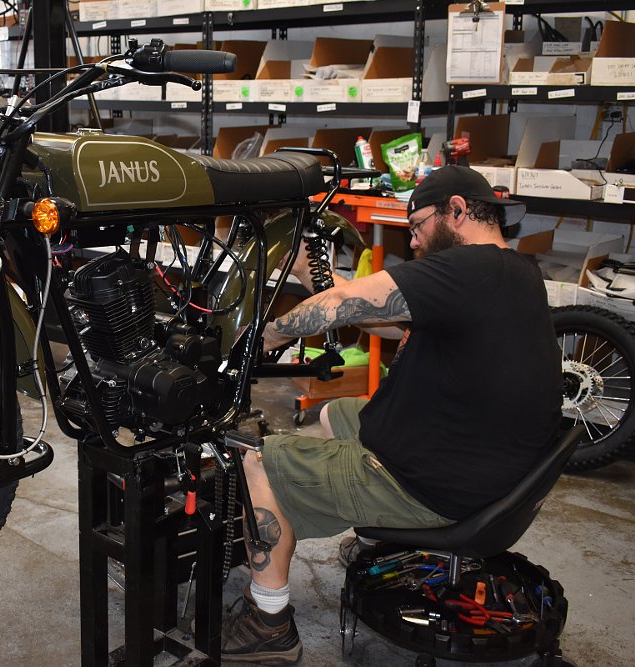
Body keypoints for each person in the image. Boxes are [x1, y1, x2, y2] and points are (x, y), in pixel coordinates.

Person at [221, 165, 563, 664]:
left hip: (435, 484)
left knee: (257, 457)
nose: (417, 240)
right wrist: (306, 275)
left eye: (419, 225)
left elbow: (343, 303)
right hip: (481, 461)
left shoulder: (470, 269)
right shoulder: (509, 273)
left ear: (458, 211)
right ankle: (350, 523)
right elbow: (384, 317)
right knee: (336, 415)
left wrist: (264, 337)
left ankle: (268, 621)